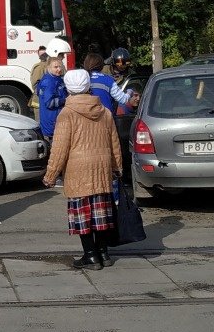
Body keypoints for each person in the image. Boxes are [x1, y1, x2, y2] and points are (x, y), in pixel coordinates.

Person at [41, 69, 122, 270]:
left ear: (69, 89)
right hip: (102, 169)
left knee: (83, 215)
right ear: (88, 87)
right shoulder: (105, 111)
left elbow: (59, 148)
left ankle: (90, 256)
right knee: (101, 213)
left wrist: (50, 175)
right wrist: (117, 168)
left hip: (78, 171)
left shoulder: (66, 114)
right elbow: (114, 144)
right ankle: (104, 253)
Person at [106, 48, 143, 177]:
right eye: (119, 64)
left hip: (125, 108)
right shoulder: (105, 72)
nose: (122, 67)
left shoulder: (131, 74)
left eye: (125, 65)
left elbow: (136, 88)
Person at [35, 56, 68, 141]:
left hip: (55, 119)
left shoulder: (57, 79)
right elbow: (49, 103)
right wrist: (65, 101)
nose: (59, 69)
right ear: (48, 67)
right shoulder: (49, 82)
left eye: (60, 66)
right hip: (52, 121)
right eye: (55, 67)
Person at [27, 45, 49, 119]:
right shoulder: (39, 67)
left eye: (44, 54)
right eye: (41, 54)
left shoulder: (51, 65)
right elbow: (35, 84)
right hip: (39, 99)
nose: (43, 56)